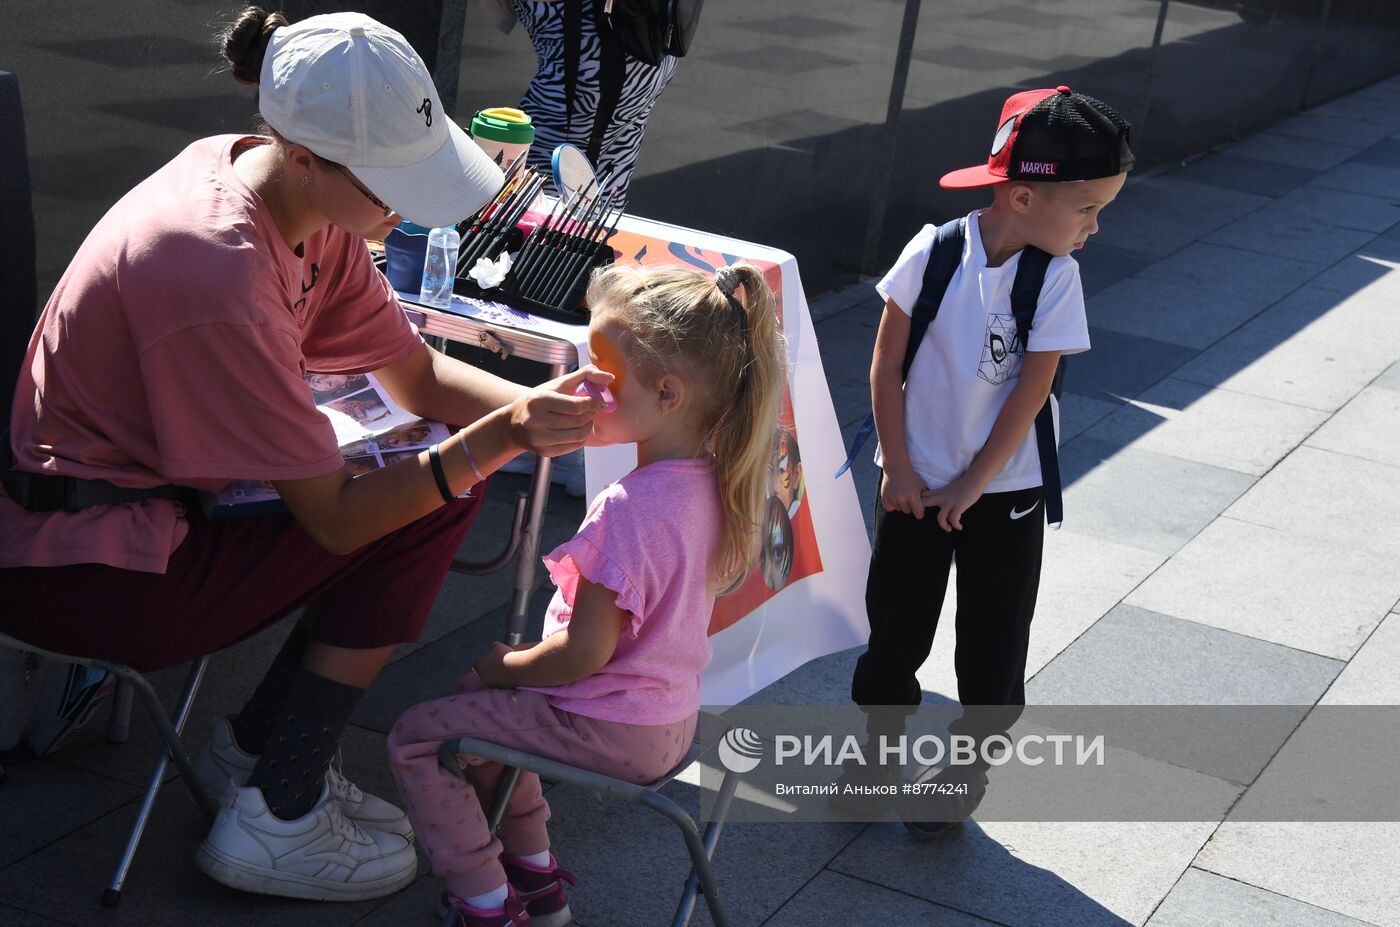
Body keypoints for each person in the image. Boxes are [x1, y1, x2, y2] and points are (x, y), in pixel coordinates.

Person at [0, 7, 612, 902]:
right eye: (388, 184)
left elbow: (415, 374)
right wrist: (502, 438)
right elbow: (333, 521)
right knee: (433, 491)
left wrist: (570, 415)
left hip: (146, 518)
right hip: (88, 572)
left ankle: (258, 747)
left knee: (431, 471)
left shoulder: (283, 188)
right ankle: (275, 811)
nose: (402, 207)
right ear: (305, 156)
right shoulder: (215, 261)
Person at [386, 262, 786, 927]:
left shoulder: (627, 508)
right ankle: (537, 886)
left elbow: (581, 654)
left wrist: (502, 663)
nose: (578, 388)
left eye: (601, 376)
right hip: (667, 722)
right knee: (484, 716)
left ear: (667, 393)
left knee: (419, 736)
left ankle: (484, 903)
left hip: (605, 724)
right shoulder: (718, 485)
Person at [849, 87, 1131, 838]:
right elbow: (885, 364)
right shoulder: (934, 251)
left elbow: (1032, 391)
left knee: (995, 641)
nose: (1095, 226)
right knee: (895, 630)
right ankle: (876, 752)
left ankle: (964, 767)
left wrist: (975, 483)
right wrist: (899, 468)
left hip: (1004, 495)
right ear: (1023, 193)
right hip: (914, 489)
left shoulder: (1057, 276)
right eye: (1087, 208)